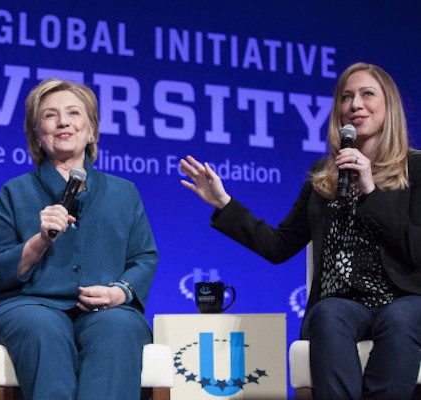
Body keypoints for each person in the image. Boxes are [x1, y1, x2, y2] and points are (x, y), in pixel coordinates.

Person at [180, 62, 421, 400]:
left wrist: (371, 194)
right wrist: (224, 204)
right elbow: (279, 246)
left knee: (404, 317)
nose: (355, 104)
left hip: (401, 299)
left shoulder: (416, 168)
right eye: (347, 96)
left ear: (389, 106)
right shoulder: (323, 175)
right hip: (343, 304)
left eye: (367, 94)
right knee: (328, 312)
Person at [0, 78, 159, 400]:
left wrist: (120, 293)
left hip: (105, 310)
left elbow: (143, 257)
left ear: (91, 130)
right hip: (27, 306)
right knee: (43, 329)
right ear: (36, 133)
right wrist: (39, 241)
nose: (63, 122)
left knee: (119, 328)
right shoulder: (15, 191)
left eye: (74, 113)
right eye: (50, 115)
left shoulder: (124, 193)